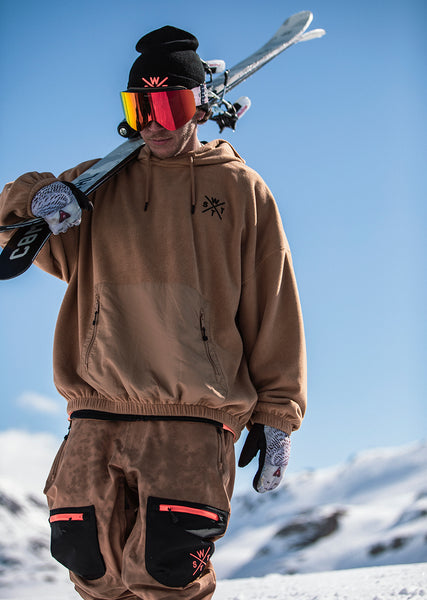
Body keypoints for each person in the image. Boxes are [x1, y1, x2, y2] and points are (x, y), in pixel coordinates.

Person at [0, 26, 307, 600]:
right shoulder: (95, 186)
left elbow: (273, 305)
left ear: (200, 108)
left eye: (171, 106)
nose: (155, 123)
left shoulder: (240, 189)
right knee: (91, 572)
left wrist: (278, 414)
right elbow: (10, 228)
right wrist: (36, 195)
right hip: (95, 412)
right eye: (140, 108)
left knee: (169, 577)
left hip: (191, 418)